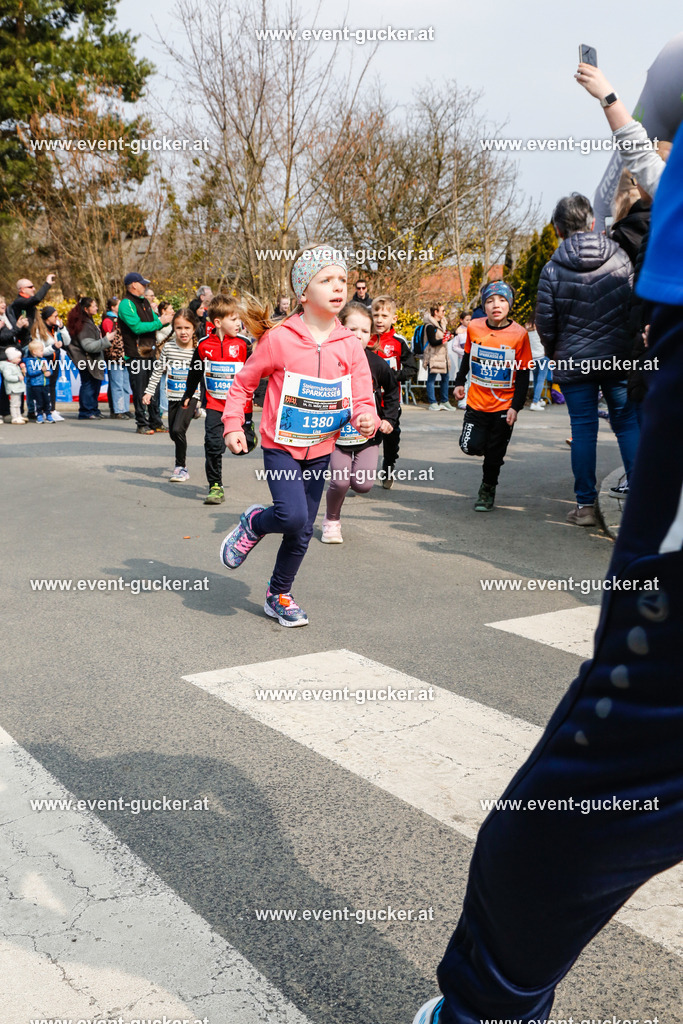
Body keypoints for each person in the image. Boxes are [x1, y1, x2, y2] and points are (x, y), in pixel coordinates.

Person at [412, 120, 683, 1024]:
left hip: (610, 363)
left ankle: (485, 1009)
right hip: (629, 369)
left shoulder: (570, 259)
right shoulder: (607, 250)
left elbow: (670, 76)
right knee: (619, 434)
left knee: (600, 774)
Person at [218, 245, 380, 627]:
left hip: (321, 448)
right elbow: (243, 383)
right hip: (281, 447)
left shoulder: (349, 345)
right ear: (303, 294)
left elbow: (362, 393)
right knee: (291, 517)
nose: (338, 286)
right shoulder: (280, 339)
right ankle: (255, 523)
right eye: (326, 280)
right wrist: (231, 424)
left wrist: (366, 416)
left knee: (304, 528)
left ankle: (279, 595)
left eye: (342, 279)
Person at [536, 193, 640, 526]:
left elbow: (545, 323)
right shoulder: (621, 258)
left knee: (583, 431)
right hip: (619, 358)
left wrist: (555, 353)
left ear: (558, 230)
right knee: (626, 424)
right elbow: (633, 308)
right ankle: (641, 501)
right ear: (593, 223)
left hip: (574, 361)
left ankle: (584, 508)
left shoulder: (552, 269)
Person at [321, 302, 399, 543]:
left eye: (364, 331)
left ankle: (350, 489)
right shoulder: (326, 358)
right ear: (338, 327)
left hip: (367, 437)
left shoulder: (378, 364)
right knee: (340, 481)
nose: (358, 335)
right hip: (336, 437)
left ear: (371, 335)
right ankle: (331, 521)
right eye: (352, 329)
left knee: (363, 485)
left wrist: (389, 419)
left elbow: (392, 391)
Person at [453, 282, 531, 511]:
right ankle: (489, 448)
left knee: (494, 456)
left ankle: (487, 489)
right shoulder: (475, 327)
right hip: (476, 402)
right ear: (483, 307)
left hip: (503, 406)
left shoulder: (519, 334)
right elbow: (467, 357)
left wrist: (516, 407)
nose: (496, 305)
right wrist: (459, 382)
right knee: (469, 446)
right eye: (490, 300)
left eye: (502, 300)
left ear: (510, 305)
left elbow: (524, 374)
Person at [181, 294, 256, 504]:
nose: (238, 324)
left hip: (241, 406)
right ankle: (215, 486)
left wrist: (258, 395)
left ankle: (249, 437)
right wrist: (188, 394)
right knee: (212, 445)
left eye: (239, 319)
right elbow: (195, 372)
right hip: (214, 404)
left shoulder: (244, 344)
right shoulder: (204, 345)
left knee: (244, 446)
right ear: (217, 322)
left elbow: (255, 371)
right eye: (233, 320)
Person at [144, 308, 201, 482]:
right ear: (173, 329)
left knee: (177, 429)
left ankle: (181, 467)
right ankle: (195, 414)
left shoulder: (199, 349)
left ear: (194, 328)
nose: (183, 332)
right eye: (178, 328)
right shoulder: (168, 347)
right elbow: (157, 371)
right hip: (173, 396)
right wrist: (149, 391)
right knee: (173, 434)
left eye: (187, 328)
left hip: (190, 397)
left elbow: (206, 374)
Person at [117, 272, 173, 434]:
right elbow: (137, 327)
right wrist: (160, 322)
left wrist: (166, 320)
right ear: (134, 285)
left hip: (150, 353)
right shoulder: (126, 304)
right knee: (141, 390)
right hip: (135, 354)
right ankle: (141, 423)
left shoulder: (145, 303)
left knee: (153, 388)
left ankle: (156, 421)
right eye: (143, 284)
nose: (146, 286)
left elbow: (154, 324)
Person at [370, 295, 416, 488]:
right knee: (368, 439)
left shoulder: (399, 342)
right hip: (368, 401)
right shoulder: (365, 338)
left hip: (390, 402)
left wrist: (392, 376)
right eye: (376, 315)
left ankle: (388, 468)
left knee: (391, 439)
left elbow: (412, 368)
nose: (379, 320)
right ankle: (359, 473)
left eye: (384, 315)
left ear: (393, 319)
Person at [65, 297, 112, 420]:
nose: (96, 308)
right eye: (94, 305)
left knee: (94, 384)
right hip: (86, 361)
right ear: (86, 309)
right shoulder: (85, 325)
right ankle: (86, 411)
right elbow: (89, 346)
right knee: (88, 384)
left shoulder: (86, 321)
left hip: (89, 360)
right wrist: (107, 340)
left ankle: (93, 409)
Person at [32, 307, 68, 421]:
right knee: (43, 387)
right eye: (55, 316)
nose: (57, 318)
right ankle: (43, 411)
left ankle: (52, 410)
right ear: (48, 317)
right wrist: (53, 347)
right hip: (44, 361)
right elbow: (39, 350)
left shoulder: (56, 328)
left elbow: (67, 341)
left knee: (52, 386)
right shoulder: (39, 329)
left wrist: (62, 328)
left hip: (55, 360)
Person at [101, 297, 132, 419]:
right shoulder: (109, 320)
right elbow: (110, 338)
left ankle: (125, 408)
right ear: (113, 307)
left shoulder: (120, 319)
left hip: (124, 356)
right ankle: (118, 409)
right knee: (117, 384)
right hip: (115, 356)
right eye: (119, 305)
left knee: (125, 383)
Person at [8, 273, 56, 346]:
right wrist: (47, 284)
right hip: (28, 344)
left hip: (36, 340)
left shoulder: (28, 302)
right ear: (22, 289)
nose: (34, 289)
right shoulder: (19, 301)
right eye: (30, 287)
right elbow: (36, 299)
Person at [422, 304, 455, 411]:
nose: (444, 313)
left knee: (445, 378)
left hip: (442, 356)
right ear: (435, 312)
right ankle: (433, 402)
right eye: (442, 311)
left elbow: (442, 339)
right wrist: (444, 340)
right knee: (431, 379)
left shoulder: (442, 324)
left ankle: (444, 401)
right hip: (433, 355)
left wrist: (449, 337)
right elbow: (432, 341)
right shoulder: (430, 326)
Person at [0, 297, 28, 420]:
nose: (3, 304)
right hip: (2, 356)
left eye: (4, 302)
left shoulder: (7, 317)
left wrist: (23, 327)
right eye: (0, 303)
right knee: (3, 385)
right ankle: (4, 412)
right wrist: (17, 327)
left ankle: (16, 412)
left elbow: (15, 335)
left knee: (14, 384)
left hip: (13, 355)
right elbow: (4, 337)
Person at [23, 338, 53, 422]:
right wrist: (41, 370)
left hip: (45, 383)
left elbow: (49, 369)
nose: (42, 352)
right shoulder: (29, 361)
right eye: (41, 350)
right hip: (36, 385)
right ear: (34, 352)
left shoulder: (44, 360)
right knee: (39, 401)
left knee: (47, 400)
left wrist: (49, 372)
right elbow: (31, 372)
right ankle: (39, 414)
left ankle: (48, 414)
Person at [527, 319, 551, 411]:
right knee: (541, 380)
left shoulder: (528, 331)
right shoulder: (542, 330)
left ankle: (538, 399)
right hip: (542, 356)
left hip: (533, 358)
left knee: (536, 380)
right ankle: (535, 402)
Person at [0, 347, 27, 423]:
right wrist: (18, 378)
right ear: (12, 358)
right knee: (14, 404)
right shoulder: (8, 367)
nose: (20, 359)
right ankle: (15, 417)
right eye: (18, 358)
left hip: (18, 388)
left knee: (18, 403)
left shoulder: (15, 365)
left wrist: (23, 371)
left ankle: (19, 415)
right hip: (13, 388)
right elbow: (8, 377)